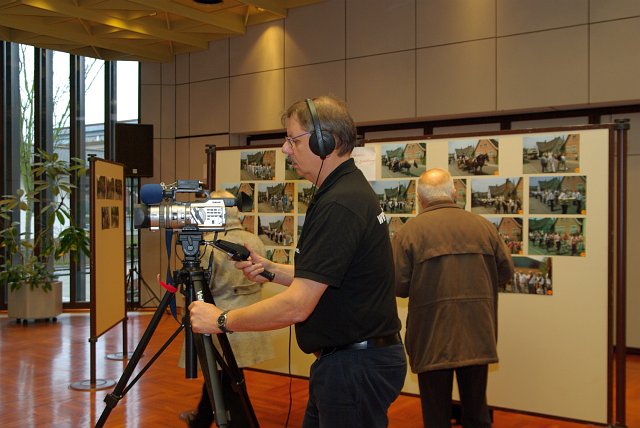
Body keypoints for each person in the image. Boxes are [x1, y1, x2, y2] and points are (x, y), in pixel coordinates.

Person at [189, 95, 407, 428]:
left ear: (325, 143)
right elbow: (328, 275)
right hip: (349, 363)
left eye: (293, 140)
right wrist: (271, 270)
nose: (284, 149)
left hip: (354, 368)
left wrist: (221, 319)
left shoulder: (340, 203)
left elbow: (297, 306)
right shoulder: (344, 190)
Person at [391, 168, 514, 428]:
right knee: (477, 413)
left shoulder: (408, 233)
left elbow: (398, 286)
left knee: (436, 416)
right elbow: (505, 272)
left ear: (419, 198)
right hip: (477, 332)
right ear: (455, 193)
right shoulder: (484, 227)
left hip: (432, 335)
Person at [179, 197, 274, 427]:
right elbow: (261, 279)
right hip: (249, 321)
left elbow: (201, 289)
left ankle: (228, 422)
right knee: (224, 377)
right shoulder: (253, 240)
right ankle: (201, 418)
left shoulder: (209, 244)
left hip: (218, 323)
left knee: (228, 381)